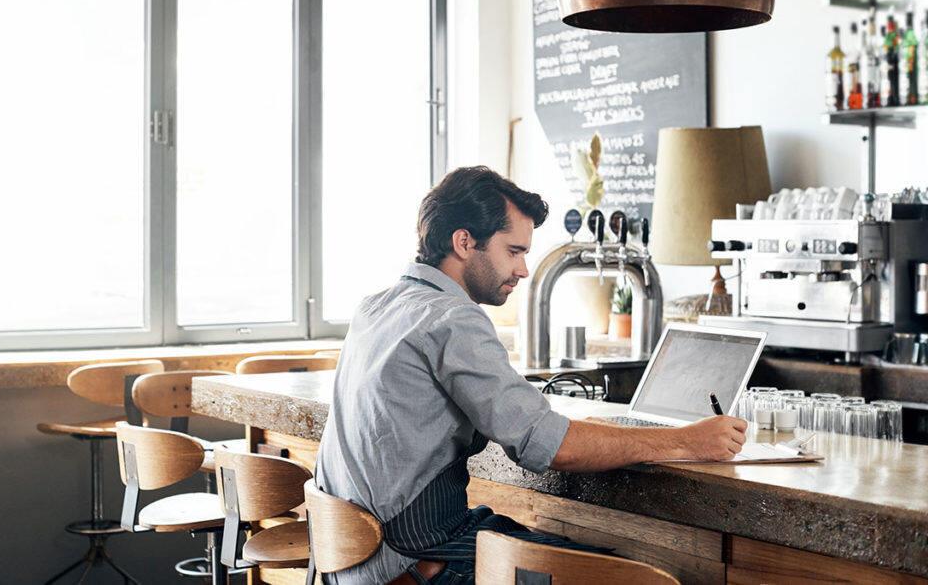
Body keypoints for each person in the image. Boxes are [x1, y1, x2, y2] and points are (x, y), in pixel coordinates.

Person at [315, 166, 747, 584]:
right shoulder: (451, 319)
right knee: (631, 574)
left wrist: (586, 432)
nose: (523, 269)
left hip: (351, 564)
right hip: (414, 565)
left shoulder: (376, 306)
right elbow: (550, 447)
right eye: (514, 251)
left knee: (557, 549)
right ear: (464, 242)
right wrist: (688, 440)